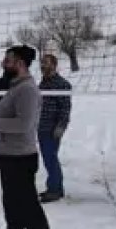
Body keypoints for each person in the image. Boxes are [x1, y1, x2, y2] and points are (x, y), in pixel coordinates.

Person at [0, 45, 59, 229]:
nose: (3, 63)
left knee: (28, 207)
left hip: (20, 158)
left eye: (7, 60)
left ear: (20, 63)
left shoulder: (27, 90)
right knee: (12, 205)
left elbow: (24, 125)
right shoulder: (16, 87)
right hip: (9, 156)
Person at [37, 54, 72, 203]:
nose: (43, 66)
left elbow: (65, 108)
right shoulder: (42, 84)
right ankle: (54, 187)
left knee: (51, 159)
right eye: (42, 63)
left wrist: (61, 126)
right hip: (41, 127)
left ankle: (55, 190)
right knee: (47, 159)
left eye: (46, 63)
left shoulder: (62, 84)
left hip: (52, 129)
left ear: (54, 65)